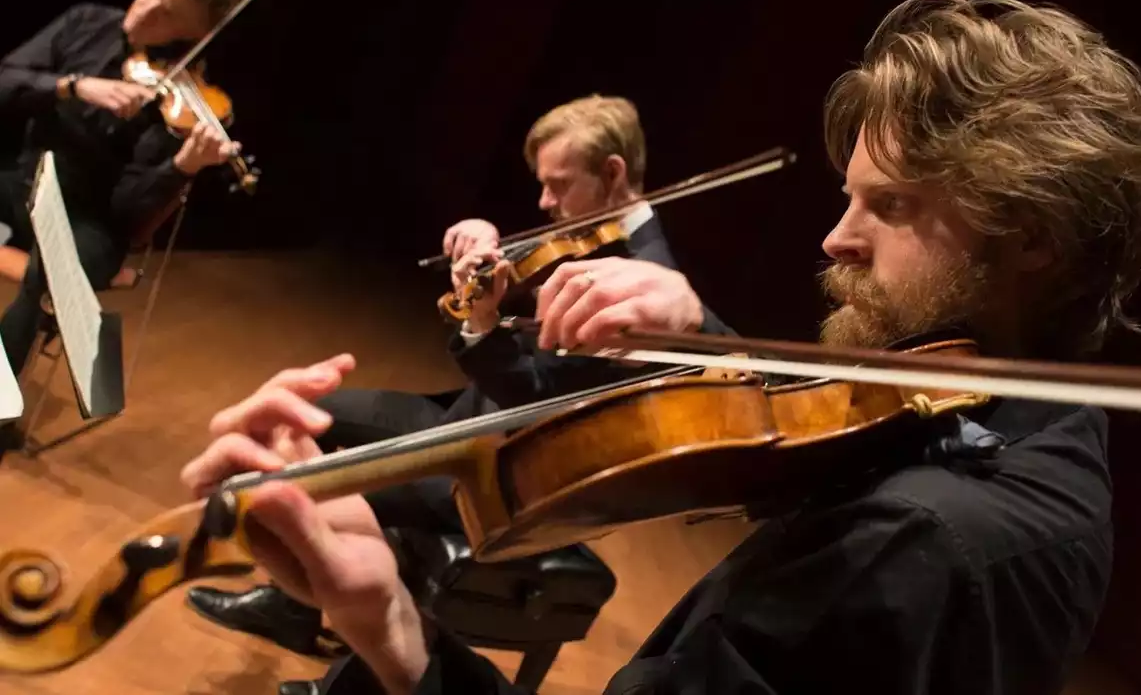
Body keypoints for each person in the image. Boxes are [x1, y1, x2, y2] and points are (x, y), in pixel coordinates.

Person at [181, 0, 1141, 694]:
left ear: (1031, 237)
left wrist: (397, 635)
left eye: (891, 205)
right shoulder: (1043, 430)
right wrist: (703, 336)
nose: (834, 238)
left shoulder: (901, 550)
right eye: (847, 198)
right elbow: (818, 429)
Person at [183, 95, 736, 673]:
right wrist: (481, 256)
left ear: (614, 172)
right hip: (465, 419)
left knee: (316, 485)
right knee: (305, 408)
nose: (545, 201)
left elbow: (537, 395)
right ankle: (292, 611)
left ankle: (313, 618)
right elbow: (509, 313)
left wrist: (481, 324)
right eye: (541, 184)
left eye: (559, 184)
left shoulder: (648, 289)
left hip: (495, 469)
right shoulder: (585, 234)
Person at [0, 0, 242, 408]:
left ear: (194, 33)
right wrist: (70, 85)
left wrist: (181, 168)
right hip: (27, 181)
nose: (145, 9)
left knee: (44, 275)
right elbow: (5, 81)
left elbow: (128, 213)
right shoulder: (86, 21)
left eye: (167, 11)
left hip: (93, 222)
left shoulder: (180, 103)